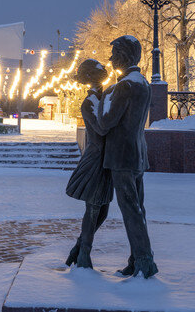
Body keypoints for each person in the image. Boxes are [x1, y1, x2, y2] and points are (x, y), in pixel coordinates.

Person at [97, 35, 158, 279]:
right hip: (138, 155)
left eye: (114, 54)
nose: (111, 59)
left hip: (122, 157)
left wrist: (102, 99)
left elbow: (104, 123)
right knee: (137, 209)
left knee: (131, 211)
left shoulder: (124, 86)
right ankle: (137, 260)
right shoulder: (143, 82)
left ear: (123, 56)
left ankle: (144, 262)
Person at [65, 59, 114, 269]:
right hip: (96, 159)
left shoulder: (103, 98)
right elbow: (102, 129)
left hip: (106, 159)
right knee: (93, 209)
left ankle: (77, 249)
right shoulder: (90, 102)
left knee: (103, 211)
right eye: (98, 72)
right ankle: (84, 254)